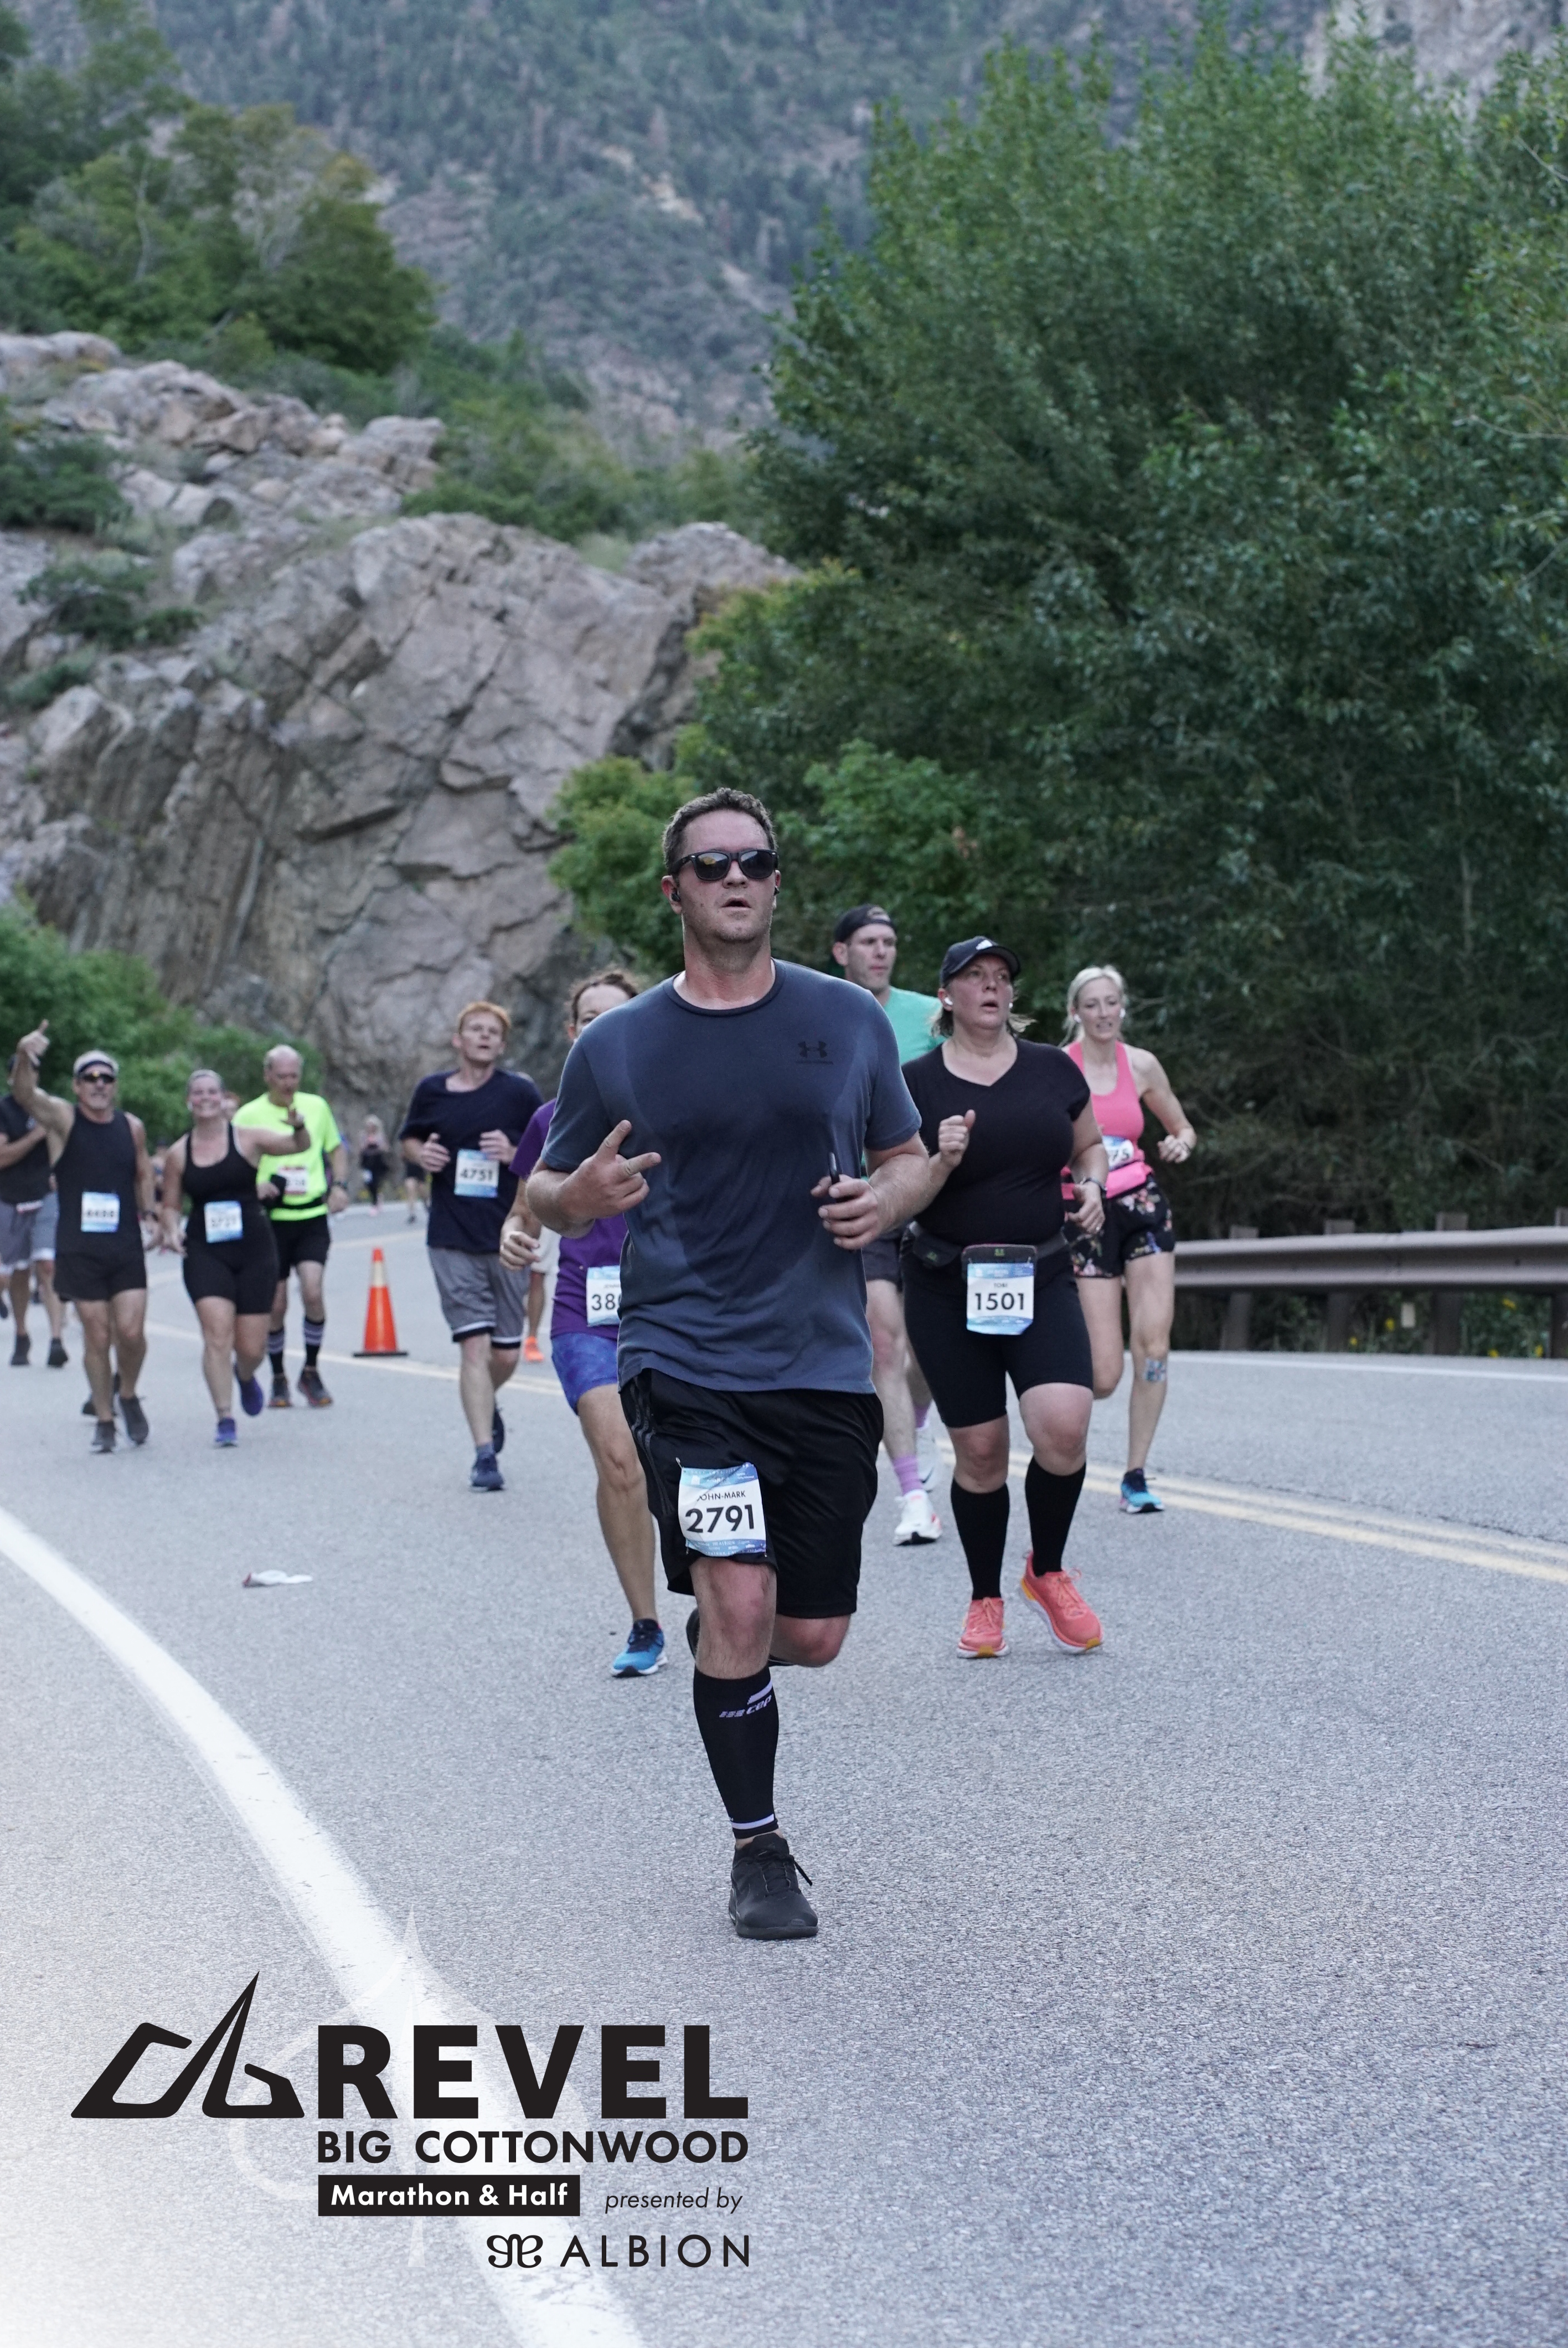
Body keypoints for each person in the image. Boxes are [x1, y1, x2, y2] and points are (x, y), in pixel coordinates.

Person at [528, 787, 957, 1943]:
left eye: (753, 861)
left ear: (776, 883)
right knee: (740, 1594)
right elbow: (545, 1189)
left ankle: (729, 1656)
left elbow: (907, 1155)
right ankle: (758, 1849)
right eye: (710, 863)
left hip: (819, 1364)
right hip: (684, 1359)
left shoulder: (847, 1021)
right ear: (673, 889)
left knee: (809, 1633)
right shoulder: (617, 1044)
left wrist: (888, 1199)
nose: (734, 877)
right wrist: (577, 1196)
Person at [899, 939, 1109, 1661]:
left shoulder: (1053, 1069)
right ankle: (985, 1595)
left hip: (1040, 1274)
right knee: (982, 1451)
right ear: (946, 996)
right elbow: (896, 1190)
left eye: (1001, 978)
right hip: (944, 1283)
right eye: (974, 978)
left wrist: (1091, 1186)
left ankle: (1046, 1571)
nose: (991, 987)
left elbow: (1089, 1147)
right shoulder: (915, 1084)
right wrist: (940, 1160)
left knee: (1065, 1427)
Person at [502, 968, 666, 1676]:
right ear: (573, 1034)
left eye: (616, 1016)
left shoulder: (676, 1101)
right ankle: (646, 1622)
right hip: (586, 1314)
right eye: (589, 1018)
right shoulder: (550, 1120)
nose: (601, 1028)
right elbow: (524, 1213)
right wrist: (515, 1238)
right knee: (619, 1457)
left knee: (687, 1464)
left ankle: (729, 1597)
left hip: (679, 1307)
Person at [1062, 965, 1196, 1513]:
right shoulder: (1058, 1068)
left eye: (1111, 1002)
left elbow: (1182, 1126)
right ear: (1075, 1012)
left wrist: (1181, 1142)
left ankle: (1135, 1475)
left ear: (1123, 1007)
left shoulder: (1141, 1065)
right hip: (1087, 1217)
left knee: (1154, 1346)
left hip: (1142, 1208)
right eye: (1092, 1004)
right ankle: (1057, 1425)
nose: (1103, 1014)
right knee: (1103, 1375)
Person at [831, 904, 943, 1544]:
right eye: (869, 941)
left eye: (890, 942)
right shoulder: (821, 1012)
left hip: (929, 1196)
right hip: (865, 1196)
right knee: (883, 1342)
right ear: (841, 951)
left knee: (928, 1351)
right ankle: (912, 1496)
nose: (881, 952)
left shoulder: (929, 1016)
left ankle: (918, 1419)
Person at [400, 1001, 541, 1491]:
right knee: (474, 1346)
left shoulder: (519, 1093)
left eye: (492, 1032)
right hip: (451, 1237)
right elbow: (410, 1140)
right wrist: (423, 1155)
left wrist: (513, 1153)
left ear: (501, 1045)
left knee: (505, 1356)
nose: (483, 1037)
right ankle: (485, 1455)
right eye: (474, 1029)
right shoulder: (432, 1090)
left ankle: (485, 1398)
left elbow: (548, 1150)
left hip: (508, 1235)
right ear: (458, 1040)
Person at [8, 1027, 154, 1452]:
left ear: (115, 1086)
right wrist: (23, 1055)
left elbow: (144, 1172)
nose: (98, 1085)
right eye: (90, 1078)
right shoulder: (63, 1119)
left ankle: (128, 1393)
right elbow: (25, 1096)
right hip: (79, 1245)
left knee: (131, 1333)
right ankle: (105, 1420)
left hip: (124, 1244)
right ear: (77, 1086)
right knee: (97, 1334)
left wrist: (152, 1215)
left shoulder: (132, 1127)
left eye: (106, 1078)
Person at [160, 1072, 305, 1445]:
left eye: (213, 1091)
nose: (206, 1098)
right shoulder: (179, 1153)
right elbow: (171, 1204)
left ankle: (245, 1375)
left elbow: (296, 1145)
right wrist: (172, 1229)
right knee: (217, 1335)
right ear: (189, 1101)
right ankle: (224, 1417)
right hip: (206, 1251)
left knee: (252, 1348)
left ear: (224, 1098)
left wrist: (299, 1127)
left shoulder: (247, 1138)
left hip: (254, 1249)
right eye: (198, 1093)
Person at [235, 1047, 350, 1409]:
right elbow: (234, 1165)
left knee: (313, 1292)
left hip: (311, 1214)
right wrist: (255, 1186)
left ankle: (311, 1371)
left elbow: (336, 1149)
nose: (288, 1083)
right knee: (276, 1303)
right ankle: (278, 1376)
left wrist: (340, 1186)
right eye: (281, 1076)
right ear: (267, 1076)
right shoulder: (248, 1115)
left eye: (294, 1076)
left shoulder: (316, 1107)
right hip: (271, 1219)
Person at [0, 1083, 67, 1367]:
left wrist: (62, 1172)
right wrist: (35, 1136)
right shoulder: (4, 1109)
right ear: (12, 1078)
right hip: (9, 1198)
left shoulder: (50, 1107)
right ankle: (22, 1334)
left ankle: (56, 1341)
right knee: (17, 1273)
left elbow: (65, 1142)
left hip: (45, 1196)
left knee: (47, 1265)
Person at [359, 1115, 390, 1211]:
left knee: (376, 1182)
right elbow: (361, 1149)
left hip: (378, 1163)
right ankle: (376, 1198)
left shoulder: (380, 1136)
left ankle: (376, 1203)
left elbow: (386, 1148)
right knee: (368, 1183)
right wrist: (366, 1144)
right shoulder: (363, 1136)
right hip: (367, 1163)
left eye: (372, 1125)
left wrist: (378, 1145)